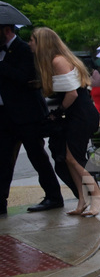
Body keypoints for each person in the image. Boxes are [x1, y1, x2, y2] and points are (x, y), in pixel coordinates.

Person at [30, 28, 100, 217]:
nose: (29, 43)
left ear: (42, 43)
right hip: (79, 114)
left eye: (32, 40)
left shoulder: (58, 61)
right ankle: (83, 199)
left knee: (74, 158)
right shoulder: (58, 60)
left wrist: (58, 112)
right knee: (69, 158)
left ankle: (97, 196)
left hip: (81, 115)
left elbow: (72, 94)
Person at [0, 23, 65, 215]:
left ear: (6, 30)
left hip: (26, 114)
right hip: (4, 115)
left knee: (37, 156)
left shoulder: (25, 49)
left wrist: (2, 66)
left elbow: (25, 77)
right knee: (3, 159)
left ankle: (53, 196)